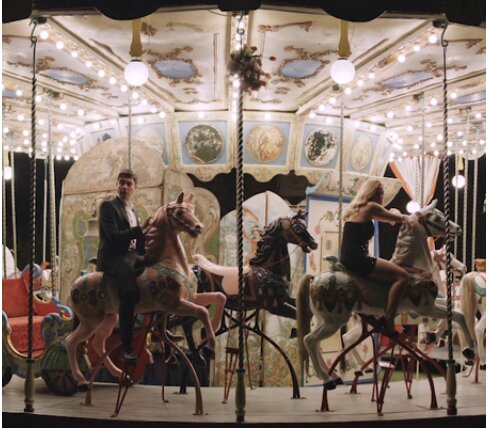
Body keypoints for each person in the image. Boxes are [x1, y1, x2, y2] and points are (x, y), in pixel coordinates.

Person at [339, 179, 415, 334]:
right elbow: (397, 218)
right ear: (372, 193)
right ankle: (389, 318)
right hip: (358, 259)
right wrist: (404, 215)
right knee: (403, 276)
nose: (382, 197)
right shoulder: (371, 207)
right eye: (380, 193)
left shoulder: (357, 209)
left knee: (389, 269)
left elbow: (389, 219)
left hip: (349, 257)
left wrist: (394, 214)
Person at [96, 169, 146, 362]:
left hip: (131, 256)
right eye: (122, 183)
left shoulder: (133, 211)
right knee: (129, 292)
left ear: (134, 188)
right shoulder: (108, 206)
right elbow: (113, 237)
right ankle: (127, 346)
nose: (125, 187)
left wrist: (146, 252)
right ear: (117, 184)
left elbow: (138, 240)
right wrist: (139, 230)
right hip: (114, 257)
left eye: (129, 184)